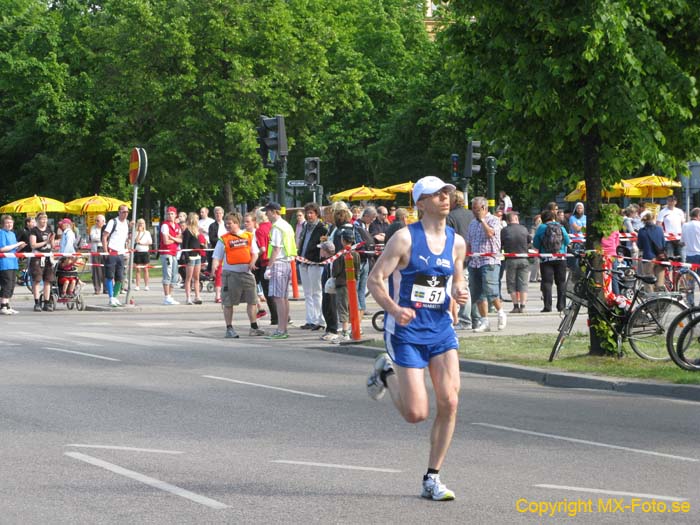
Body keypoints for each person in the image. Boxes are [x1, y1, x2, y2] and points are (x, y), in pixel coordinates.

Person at [366, 175, 468, 501]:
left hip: (440, 330)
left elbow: (456, 280)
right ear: (420, 203)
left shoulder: (457, 242)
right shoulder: (404, 239)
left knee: (450, 401)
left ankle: (432, 478)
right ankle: (385, 372)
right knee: (416, 414)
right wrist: (395, 310)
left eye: (446, 193)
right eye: (436, 195)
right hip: (407, 332)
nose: (444, 198)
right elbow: (375, 280)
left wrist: (458, 294)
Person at [211, 212, 264, 338]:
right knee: (228, 302)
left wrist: (252, 262)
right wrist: (214, 268)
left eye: (229, 223)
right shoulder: (223, 239)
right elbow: (216, 256)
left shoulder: (249, 236)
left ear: (236, 223)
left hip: (246, 274)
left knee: (252, 301)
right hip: (230, 275)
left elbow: (255, 253)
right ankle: (229, 328)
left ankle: (254, 327)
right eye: (225, 224)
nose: (227, 226)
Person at [466, 196, 507, 332]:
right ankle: (485, 322)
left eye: (476, 210)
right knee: (478, 294)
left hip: (490, 261)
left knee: (491, 291)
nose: (474, 212)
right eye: (472, 209)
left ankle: (501, 312)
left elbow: (490, 234)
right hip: (475, 262)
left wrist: (482, 220)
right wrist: (466, 258)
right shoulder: (472, 223)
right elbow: (469, 243)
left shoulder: (494, 220)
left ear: (484, 208)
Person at [264, 202, 297, 340]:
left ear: (274, 212)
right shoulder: (287, 225)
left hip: (279, 264)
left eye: (268, 212)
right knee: (283, 298)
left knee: (278, 298)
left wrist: (269, 267)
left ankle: (281, 329)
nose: (266, 214)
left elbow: (276, 248)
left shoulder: (277, 227)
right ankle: (283, 328)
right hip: (287, 263)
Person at [447, 192, 477, 330]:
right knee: (472, 288)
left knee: (461, 288)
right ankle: (475, 318)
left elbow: (447, 236)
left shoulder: (450, 216)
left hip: (457, 255)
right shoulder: (471, 214)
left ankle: (465, 320)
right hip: (473, 254)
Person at [297, 202, 328, 331]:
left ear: (317, 214)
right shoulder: (305, 227)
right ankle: (310, 319)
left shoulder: (322, 228)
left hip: (315, 263)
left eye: (311, 213)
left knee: (317, 292)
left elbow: (322, 245)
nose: (309, 216)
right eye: (307, 213)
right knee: (307, 293)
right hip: (303, 262)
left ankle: (321, 320)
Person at [533, 210, 571, 312]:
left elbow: (536, 244)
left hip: (546, 259)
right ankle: (561, 306)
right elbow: (567, 241)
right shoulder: (560, 226)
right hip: (560, 258)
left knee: (547, 283)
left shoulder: (541, 227)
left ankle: (547, 306)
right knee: (561, 282)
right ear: (554, 217)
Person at [332, 230, 362, 342]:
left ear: (343, 240)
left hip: (342, 283)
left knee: (343, 307)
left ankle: (345, 332)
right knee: (352, 306)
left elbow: (336, 271)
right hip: (353, 283)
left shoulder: (340, 254)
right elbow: (358, 269)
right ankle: (354, 329)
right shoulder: (356, 254)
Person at [500, 212, 531, 313]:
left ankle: (515, 306)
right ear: (516, 219)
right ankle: (523, 306)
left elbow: (501, 244)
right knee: (523, 283)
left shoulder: (504, 230)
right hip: (524, 258)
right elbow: (529, 242)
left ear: (508, 220)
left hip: (511, 259)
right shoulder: (524, 229)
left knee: (512, 283)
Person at [102, 205, 131, 307]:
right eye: (123, 212)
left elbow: (125, 238)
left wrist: (126, 248)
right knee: (110, 275)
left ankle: (115, 296)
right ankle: (110, 297)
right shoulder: (113, 222)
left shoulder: (126, 224)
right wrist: (106, 251)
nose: (125, 214)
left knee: (120, 277)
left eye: (127, 212)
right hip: (112, 251)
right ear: (119, 212)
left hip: (121, 253)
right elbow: (105, 236)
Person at [353, 206, 377, 320]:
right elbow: (360, 243)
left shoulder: (363, 226)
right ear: (366, 216)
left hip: (365, 260)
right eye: (372, 218)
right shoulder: (357, 226)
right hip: (360, 260)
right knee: (358, 289)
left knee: (361, 290)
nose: (372, 221)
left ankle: (360, 314)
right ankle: (358, 313)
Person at [254, 208, 277, 324]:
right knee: (278, 292)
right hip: (277, 261)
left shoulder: (260, 230)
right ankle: (284, 316)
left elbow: (262, 249)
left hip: (265, 262)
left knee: (268, 292)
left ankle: (275, 317)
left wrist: (254, 256)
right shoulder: (273, 227)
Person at [29, 212, 56, 311]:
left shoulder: (49, 229)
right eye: (42, 219)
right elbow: (33, 245)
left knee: (48, 280)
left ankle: (47, 302)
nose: (44, 221)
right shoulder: (34, 230)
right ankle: (37, 302)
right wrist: (45, 242)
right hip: (37, 257)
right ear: (38, 220)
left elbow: (52, 245)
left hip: (48, 256)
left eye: (45, 219)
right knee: (37, 280)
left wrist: (52, 240)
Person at [0, 214, 26, 314]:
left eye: (11, 222)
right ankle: (3, 306)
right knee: (6, 284)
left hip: (13, 262)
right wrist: (18, 244)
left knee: (11, 284)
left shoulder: (12, 234)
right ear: (3, 224)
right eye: (7, 223)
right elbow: (2, 249)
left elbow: (13, 249)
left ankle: (7, 305)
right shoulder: (1, 233)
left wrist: (20, 247)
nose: (9, 224)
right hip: (5, 263)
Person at [637, 210, 666, 292]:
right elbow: (663, 244)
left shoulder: (642, 231)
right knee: (660, 281)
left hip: (648, 257)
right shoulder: (660, 229)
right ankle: (660, 299)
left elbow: (640, 246)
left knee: (648, 280)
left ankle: (650, 300)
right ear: (653, 218)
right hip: (660, 257)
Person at [160, 206, 182, 305]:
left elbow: (181, 240)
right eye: (168, 214)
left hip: (174, 253)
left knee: (174, 275)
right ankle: (166, 296)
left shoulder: (177, 226)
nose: (170, 215)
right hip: (166, 252)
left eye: (172, 213)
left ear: (175, 215)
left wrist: (172, 238)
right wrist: (175, 240)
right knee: (167, 274)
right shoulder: (165, 225)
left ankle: (170, 296)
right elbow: (165, 241)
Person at [182, 212, 204, 305]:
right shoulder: (187, 231)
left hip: (197, 256)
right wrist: (186, 257)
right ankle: (188, 297)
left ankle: (197, 296)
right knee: (189, 278)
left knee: (197, 277)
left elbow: (199, 243)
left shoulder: (197, 231)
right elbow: (185, 245)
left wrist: (201, 249)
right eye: (196, 219)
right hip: (190, 256)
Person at [657, 194, 685, 259]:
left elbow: (683, 224)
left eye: (672, 201)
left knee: (683, 257)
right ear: (667, 201)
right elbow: (659, 224)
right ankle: (670, 269)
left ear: (675, 202)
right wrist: (663, 234)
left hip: (679, 237)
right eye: (669, 201)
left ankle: (684, 268)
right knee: (670, 257)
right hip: (668, 238)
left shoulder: (680, 211)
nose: (671, 202)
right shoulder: (662, 212)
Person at [208, 206, 226, 303]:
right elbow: (212, 239)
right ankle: (218, 295)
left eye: (220, 213)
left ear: (223, 214)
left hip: (228, 251)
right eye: (216, 213)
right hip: (218, 251)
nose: (218, 215)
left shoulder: (226, 224)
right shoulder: (212, 226)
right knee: (218, 273)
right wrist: (222, 240)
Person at [133, 218, 152, 290]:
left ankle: (146, 285)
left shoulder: (147, 232)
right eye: (140, 223)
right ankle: (137, 285)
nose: (141, 224)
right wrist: (139, 232)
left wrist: (143, 243)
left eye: (142, 223)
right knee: (138, 269)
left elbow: (150, 242)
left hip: (145, 252)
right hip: (138, 252)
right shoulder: (135, 232)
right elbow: (136, 241)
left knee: (146, 269)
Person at [89, 215, 105, 294]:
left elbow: (107, 237)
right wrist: (102, 238)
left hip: (104, 249)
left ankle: (106, 288)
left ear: (103, 221)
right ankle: (97, 288)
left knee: (105, 269)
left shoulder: (106, 228)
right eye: (96, 220)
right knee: (96, 270)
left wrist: (102, 238)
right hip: (96, 249)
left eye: (98, 220)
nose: (96, 222)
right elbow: (93, 237)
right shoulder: (93, 228)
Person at [529, 214, 542, 282]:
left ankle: (539, 276)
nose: (539, 221)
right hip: (535, 246)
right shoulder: (533, 228)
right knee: (536, 262)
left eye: (540, 220)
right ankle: (532, 277)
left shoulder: (542, 227)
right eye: (538, 220)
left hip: (541, 246)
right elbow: (532, 237)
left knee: (540, 262)